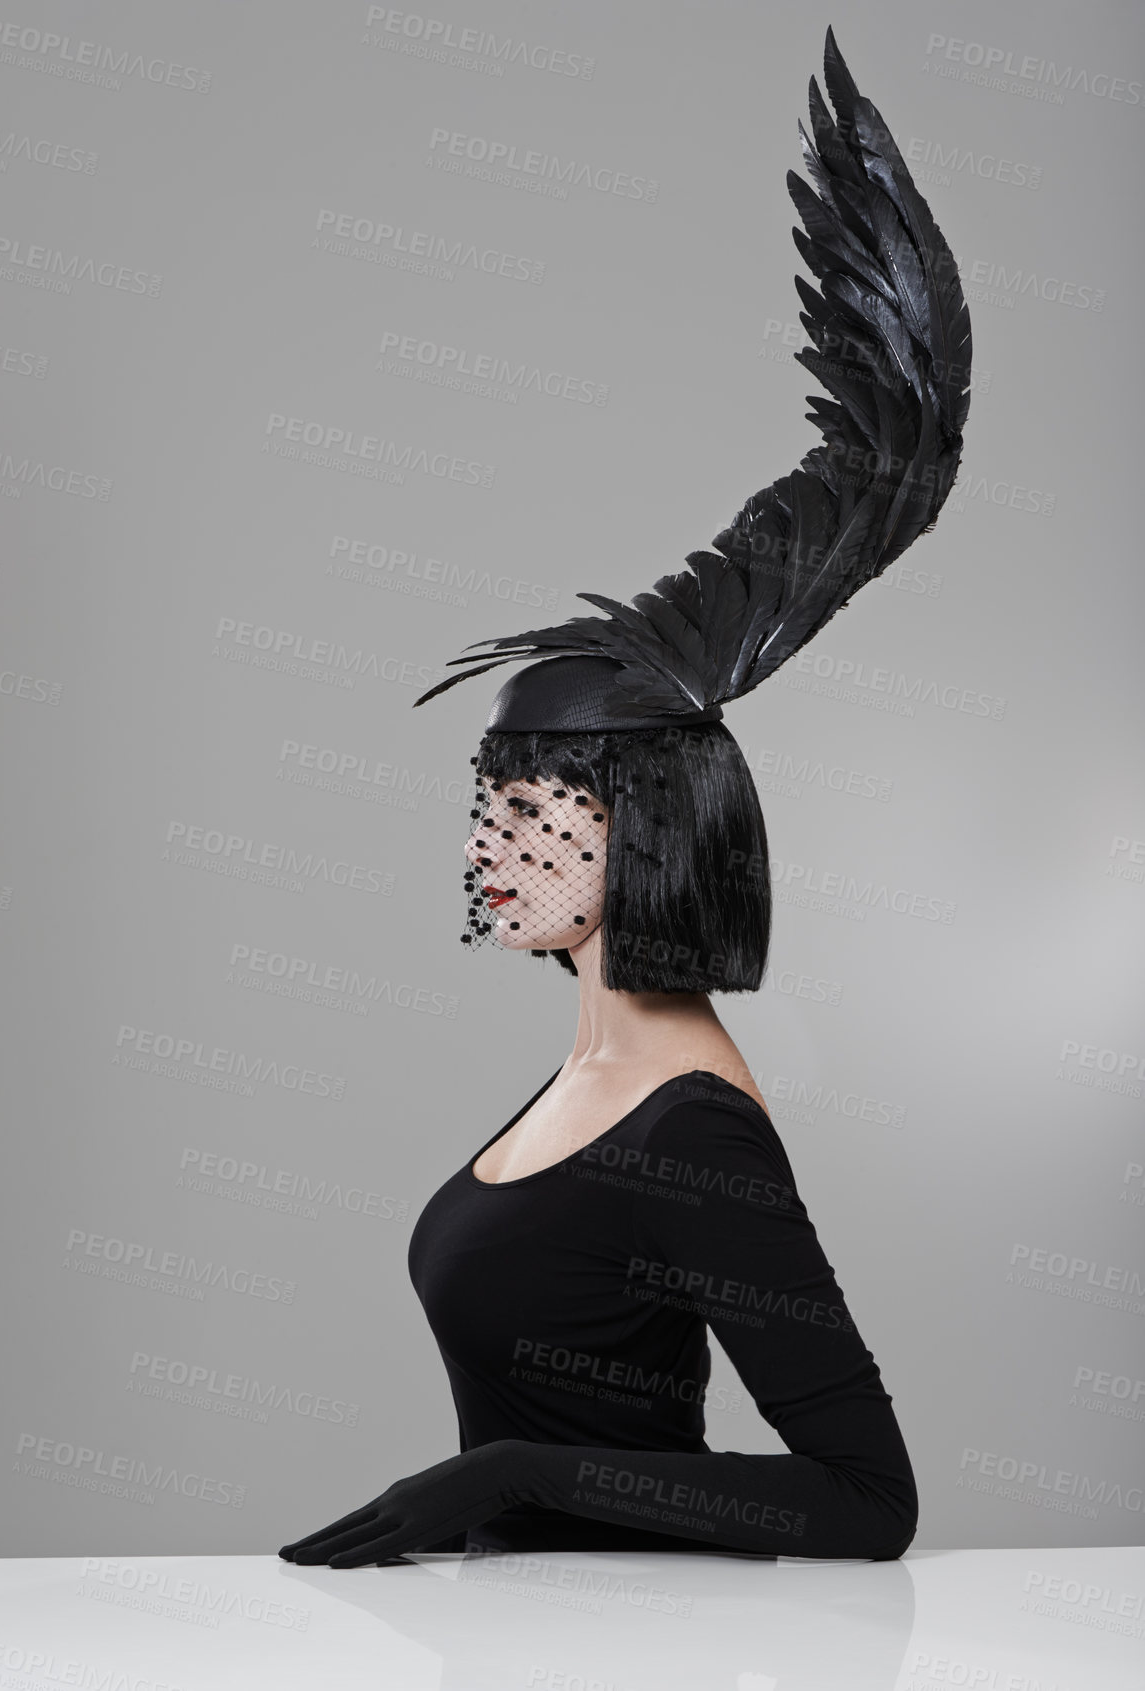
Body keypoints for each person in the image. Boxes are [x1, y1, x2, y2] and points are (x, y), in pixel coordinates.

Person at [278, 25, 970, 1569]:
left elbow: (867, 1506)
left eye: (540, 807)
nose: (490, 839)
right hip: (524, 1639)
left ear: (650, 822)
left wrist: (506, 1477)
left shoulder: (691, 1130)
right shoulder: (591, 1076)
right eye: (490, 801)